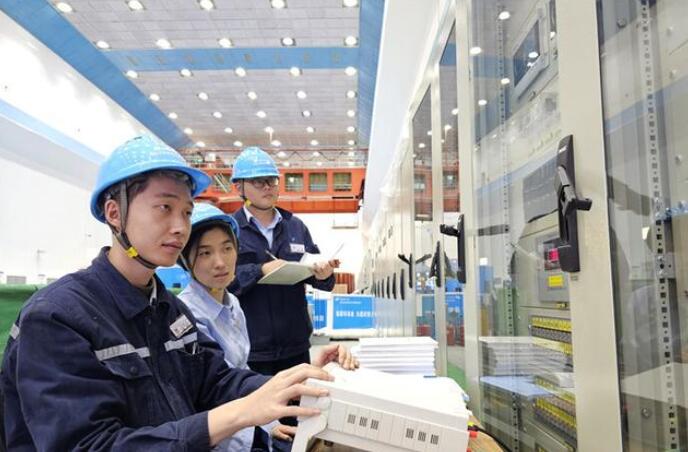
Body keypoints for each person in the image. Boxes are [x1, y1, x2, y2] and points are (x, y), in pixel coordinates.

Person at [0, 135, 333, 450]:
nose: (180, 227)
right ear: (114, 213)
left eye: (186, 212)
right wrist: (238, 414)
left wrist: (290, 384)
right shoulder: (57, 318)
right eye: (164, 208)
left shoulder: (169, 311)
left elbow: (214, 380)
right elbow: (89, 445)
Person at [177, 202, 357, 449]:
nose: (220, 262)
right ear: (185, 260)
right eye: (205, 253)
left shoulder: (233, 305)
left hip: (250, 425)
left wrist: (269, 424)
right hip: (222, 439)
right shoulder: (186, 316)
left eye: (227, 248)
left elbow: (241, 370)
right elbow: (221, 386)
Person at [229, 147, 339, 376]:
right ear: (239, 187)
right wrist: (260, 270)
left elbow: (316, 273)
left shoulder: (295, 226)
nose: (267, 187)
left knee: (299, 399)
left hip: (295, 345)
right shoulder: (229, 229)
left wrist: (324, 274)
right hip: (251, 348)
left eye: (272, 180)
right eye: (258, 181)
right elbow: (224, 281)